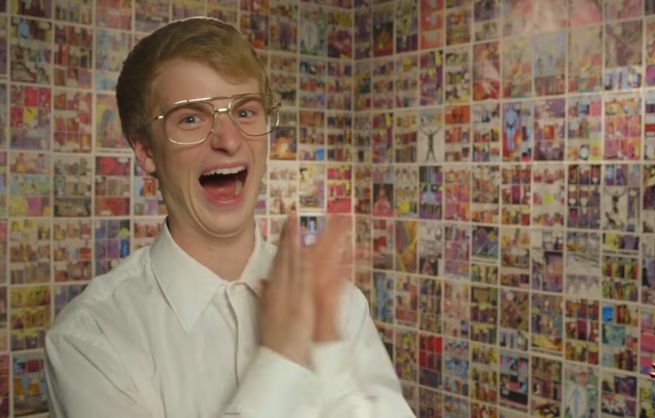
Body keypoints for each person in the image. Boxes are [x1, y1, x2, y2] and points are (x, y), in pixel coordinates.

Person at [44, 17, 414, 418]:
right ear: (147, 151)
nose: (230, 140)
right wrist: (284, 358)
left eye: (246, 111)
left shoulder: (340, 306)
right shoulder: (91, 338)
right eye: (191, 118)